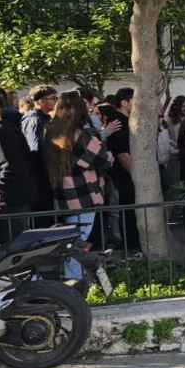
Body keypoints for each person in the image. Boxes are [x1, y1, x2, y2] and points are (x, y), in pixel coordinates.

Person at [44, 91, 108, 279]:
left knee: (72, 237)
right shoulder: (80, 133)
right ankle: (74, 279)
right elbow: (100, 159)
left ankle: (73, 277)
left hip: (63, 189)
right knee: (79, 239)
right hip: (84, 191)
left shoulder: (50, 129)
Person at [0, 93, 35, 244]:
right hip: (11, 198)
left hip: (9, 200)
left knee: (11, 244)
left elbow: (10, 165)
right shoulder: (6, 128)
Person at [106, 87, 140, 255]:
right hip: (124, 177)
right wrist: (137, 176)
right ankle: (131, 246)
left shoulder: (128, 120)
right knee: (128, 212)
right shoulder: (118, 122)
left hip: (128, 174)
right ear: (124, 103)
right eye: (134, 101)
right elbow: (122, 154)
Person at [21, 84, 58, 217]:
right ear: (41, 101)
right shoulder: (35, 120)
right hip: (40, 178)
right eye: (53, 98)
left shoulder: (43, 119)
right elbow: (36, 150)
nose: (56, 101)